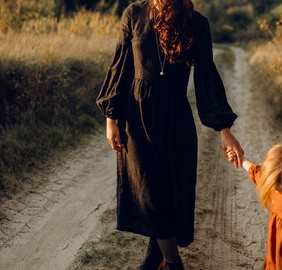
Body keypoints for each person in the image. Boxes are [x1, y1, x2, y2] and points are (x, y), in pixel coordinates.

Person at [96, 0, 244, 269]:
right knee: (149, 191)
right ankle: (173, 263)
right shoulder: (134, 14)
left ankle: (155, 257)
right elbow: (121, 64)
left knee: (170, 191)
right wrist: (111, 117)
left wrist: (224, 130)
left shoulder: (197, 24)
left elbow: (206, 77)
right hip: (137, 119)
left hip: (176, 120)